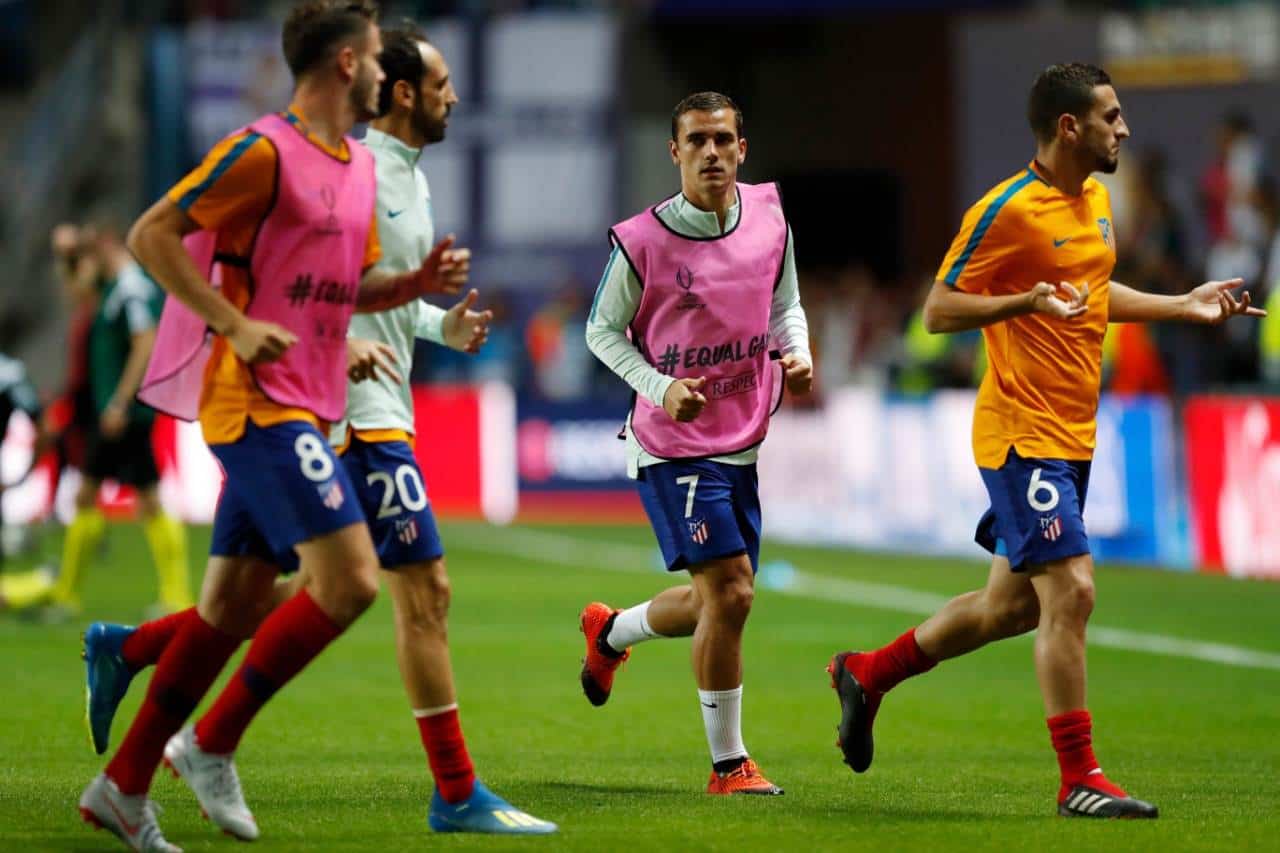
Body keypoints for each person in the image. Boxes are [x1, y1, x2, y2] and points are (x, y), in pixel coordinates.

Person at [81, 24, 554, 836]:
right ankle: (221, 742)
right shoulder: (264, 152)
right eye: (376, 57)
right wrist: (234, 324)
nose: (390, 72)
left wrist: (413, 292)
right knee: (358, 582)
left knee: (236, 605)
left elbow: (341, 289)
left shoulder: (355, 171)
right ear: (350, 65)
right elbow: (153, 234)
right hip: (265, 404)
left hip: (314, 400)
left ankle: (125, 770)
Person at [826, 63, 1264, 820]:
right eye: (1111, 116)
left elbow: (1091, 293)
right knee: (1074, 591)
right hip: (1020, 431)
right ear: (1070, 126)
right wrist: (1021, 302)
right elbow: (938, 310)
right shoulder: (1006, 210)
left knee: (1009, 609)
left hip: (1073, 433)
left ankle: (868, 673)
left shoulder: (1095, 199)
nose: (1124, 128)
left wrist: (1181, 305)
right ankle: (1079, 777)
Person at [580, 91, 812, 796]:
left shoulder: (769, 216)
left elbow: (785, 304)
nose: (711, 152)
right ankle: (728, 764)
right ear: (675, 152)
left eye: (723, 139)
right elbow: (600, 331)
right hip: (673, 443)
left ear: (742, 149)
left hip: (742, 435)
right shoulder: (642, 240)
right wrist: (659, 387)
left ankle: (611, 632)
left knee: (716, 599)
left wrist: (798, 352)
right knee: (732, 592)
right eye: (697, 141)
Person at [44, 220, 193, 619]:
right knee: (107, 496)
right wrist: (66, 257)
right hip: (118, 412)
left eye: (89, 254)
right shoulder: (116, 288)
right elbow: (76, 292)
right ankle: (69, 594)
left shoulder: (131, 289)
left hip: (124, 414)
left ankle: (72, 595)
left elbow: (145, 342)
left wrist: (120, 403)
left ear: (106, 246)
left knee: (138, 500)